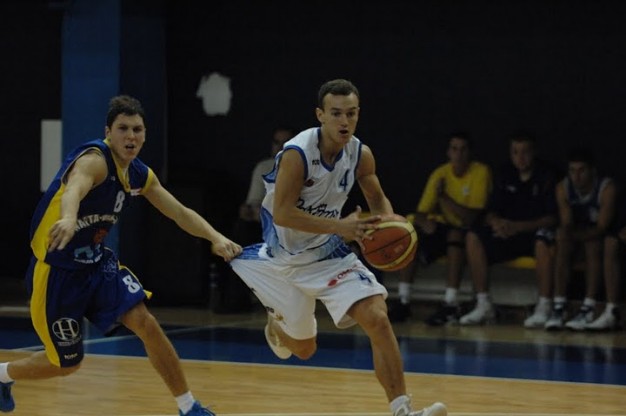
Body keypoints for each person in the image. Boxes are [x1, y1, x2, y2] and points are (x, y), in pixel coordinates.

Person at [0, 95, 241, 415]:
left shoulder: (139, 174)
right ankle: (3, 374)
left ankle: (188, 407)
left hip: (97, 264)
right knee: (65, 364)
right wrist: (69, 218)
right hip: (57, 271)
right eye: (123, 129)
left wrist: (216, 237)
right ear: (108, 133)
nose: (131, 136)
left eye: (137, 130)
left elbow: (179, 212)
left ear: (145, 134)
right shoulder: (95, 161)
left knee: (146, 322)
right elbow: (74, 189)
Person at [229, 79, 447, 416]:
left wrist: (389, 229)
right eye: (336, 114)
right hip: (285, 259)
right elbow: (283, 213)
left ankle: (402, 410)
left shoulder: (360, 154)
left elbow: (377, 199)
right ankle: (277, 324)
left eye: (351, 113)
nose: (344, 122)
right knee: (304, 350)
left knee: (377, 318)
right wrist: (341, 227)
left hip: (329, 252)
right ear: (320, 115)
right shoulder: (297, 154)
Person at [387, 133, 491, 325]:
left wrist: (444, 197)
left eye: (463, 149)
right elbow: (421, 212)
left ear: (470, 153)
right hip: (445, 229)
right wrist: (424, 221)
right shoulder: (440, 173)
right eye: (454, 149)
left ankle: (450, 302)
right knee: (412, 235)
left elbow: (471, 217)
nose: (458, 154)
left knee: (455, 235)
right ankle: (403, 300)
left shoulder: (480, 172)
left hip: (472, 233)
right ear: (448, 152)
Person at [458, 134, 557, 326]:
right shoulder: (504, 173)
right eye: (515, 152)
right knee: (473, 236)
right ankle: (483, 303)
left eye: (525, 152)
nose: (520, 158)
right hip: (507, 234)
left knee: (543, 240)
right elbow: (490, 210)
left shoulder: (547, 175)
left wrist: (518, 226)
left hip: (532, 234)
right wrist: (496, 222)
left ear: (534, 152)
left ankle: (545, 306)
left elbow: (552, 218)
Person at [217, 127, 294, 313]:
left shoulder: (304, 169)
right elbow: (251, 205)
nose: (280, 147)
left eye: (285, 143)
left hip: (293, 227)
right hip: (265, 224)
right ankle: (234, 299)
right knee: (240, 231)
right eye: (276, 142)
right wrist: (250, 211)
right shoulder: (264, 167)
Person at [545, 148, 617, 331]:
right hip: (576, 233)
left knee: (592, 242)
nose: (576, 176)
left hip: (599, 236)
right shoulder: (563, 188)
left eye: (581, 170)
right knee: (561, 237)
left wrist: (579, 235)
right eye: (572, 171)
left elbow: (602, 227)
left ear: (592, 171)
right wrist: (568, 235)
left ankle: (589, 307)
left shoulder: (606, 188)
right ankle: (559, 305)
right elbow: (567, 222)